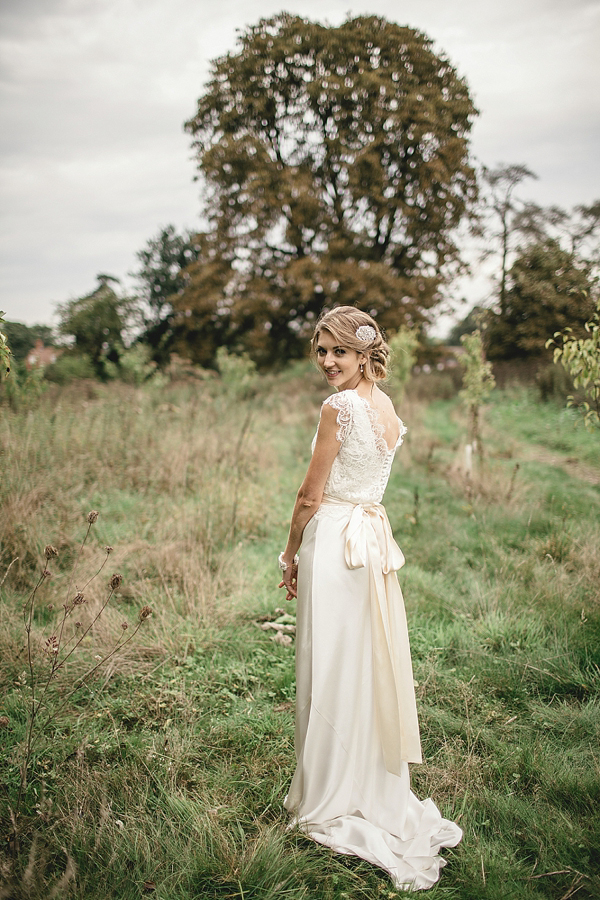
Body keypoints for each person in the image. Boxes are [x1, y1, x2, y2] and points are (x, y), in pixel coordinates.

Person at [278, 306, 462, 891]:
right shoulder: (387, 410)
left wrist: (289, 553)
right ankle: (356, 779)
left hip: (336, 541)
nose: (328, 362)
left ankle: (331, 790)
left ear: (364, 354)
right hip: (370, 544)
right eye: (321, 351)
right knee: (361, 662)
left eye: (338, 351)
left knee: (333, 663)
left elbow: (310, 494)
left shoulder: (341, 407)